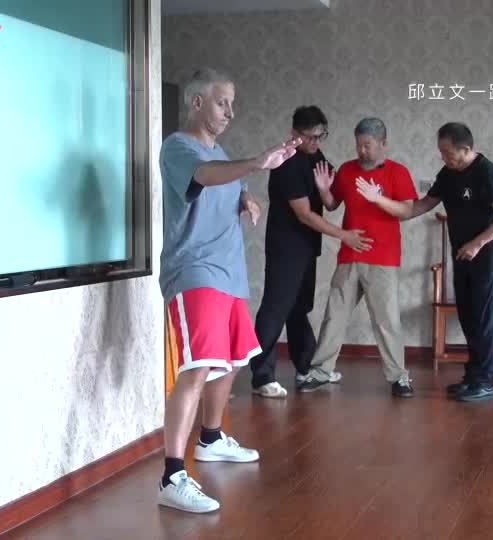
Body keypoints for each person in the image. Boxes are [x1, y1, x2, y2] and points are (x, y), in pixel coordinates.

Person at [158, 67, 301, 513]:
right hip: (195, 272)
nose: (230, 112)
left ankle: (211, 438)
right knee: (198, 367)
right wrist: (257, 163)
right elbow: (204, 176)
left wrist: (247, 198)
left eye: (232, 104)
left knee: (233, 361)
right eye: (223, 103)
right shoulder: (179, 147)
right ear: (197, 102)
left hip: (230, 275)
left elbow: (226, 183)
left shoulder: (220, 152)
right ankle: (172, 476)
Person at [355, 122, 493, 402]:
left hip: (487, 256)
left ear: (466, 149)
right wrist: (380, 200)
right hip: (462, 253)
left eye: (447, 152)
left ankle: (485, 381)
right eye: (441, 152)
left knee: (485, 319)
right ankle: (473, 376)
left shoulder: (486, 172)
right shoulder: (448, 173)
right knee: (468, 316)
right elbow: (419, 206)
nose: (443, 157)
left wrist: (478, 243)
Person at [249, 106, 370, 398]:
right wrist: (344, 235)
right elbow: (304, 214)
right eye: (310, 136)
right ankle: (262, 376)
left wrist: (327, 190)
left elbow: (331, 202)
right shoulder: (286, 162)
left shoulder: (316, 157)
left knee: (299, 307)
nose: (316, 142)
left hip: (307, 246)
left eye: (321, 136)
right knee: (276, 307)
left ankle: (306, 367)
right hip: (285, 246)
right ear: (295, 133)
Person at [297, 117, 416, 398]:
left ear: (383, 144)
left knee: (387, 321)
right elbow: (332, 204)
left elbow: (407, 211)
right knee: (334, 316)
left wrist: (378, 199)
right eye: (358, 145)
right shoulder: (347, 170)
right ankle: (320, 372)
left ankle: (399, 378)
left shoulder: (397, 172)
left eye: (367, 145)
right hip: (349, 255)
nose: (362, 151)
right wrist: (324, 189)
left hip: (383, 259)